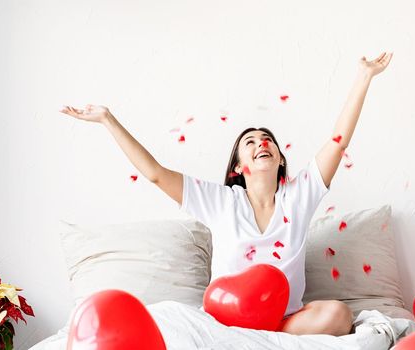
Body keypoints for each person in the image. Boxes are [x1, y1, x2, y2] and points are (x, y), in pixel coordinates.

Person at [60, 52, 393, 336]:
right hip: (228, 320)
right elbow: (155, 174)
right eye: (250, 142)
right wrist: (107, 120)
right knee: (168, 319)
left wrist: (364, 77)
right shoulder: (220, 202)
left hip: (284, 322)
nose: (261, 142)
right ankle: (245, 336)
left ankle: (263, 338)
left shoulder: (299, 197)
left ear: (279, 158)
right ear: (238, 167)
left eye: (268, 140)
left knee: (339, 315)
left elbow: (338, 141)